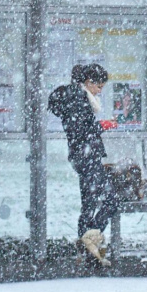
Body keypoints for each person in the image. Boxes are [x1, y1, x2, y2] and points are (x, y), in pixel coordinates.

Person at [47, 63, 119, 266]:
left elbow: (79, 129)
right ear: (89, 82)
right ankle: (89, 240)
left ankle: (88, 250)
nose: (100, 91)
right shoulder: (78, 99)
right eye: (99, 87)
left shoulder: (76, 98)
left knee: (89, 204)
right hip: (87, 157)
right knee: (110, 200)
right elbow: (81, 131)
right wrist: (104, 125)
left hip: (83, 157)